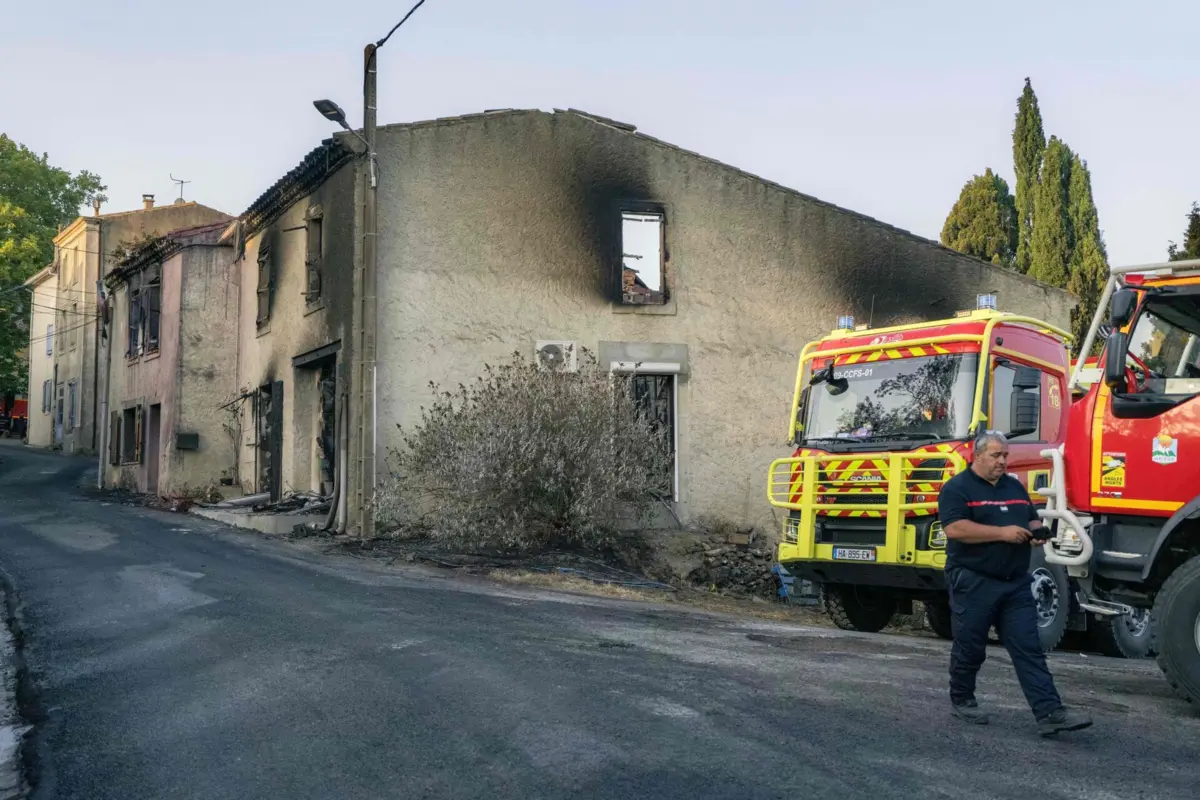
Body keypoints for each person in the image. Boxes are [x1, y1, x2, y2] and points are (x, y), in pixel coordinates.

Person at [937, 430, 1092, 736]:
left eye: (1005, 455)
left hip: (1015, 583)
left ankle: (1050, 713)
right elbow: (955, 529)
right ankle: (962, 698)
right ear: (976, 456)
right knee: (971, 646)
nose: (1002, 461)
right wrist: (1003, 533)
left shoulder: (1014, 486)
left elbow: (1030, 516)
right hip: (974, 580)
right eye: (996, 455)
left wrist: (1038, 532)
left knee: (1028, 648)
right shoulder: (957, 488)